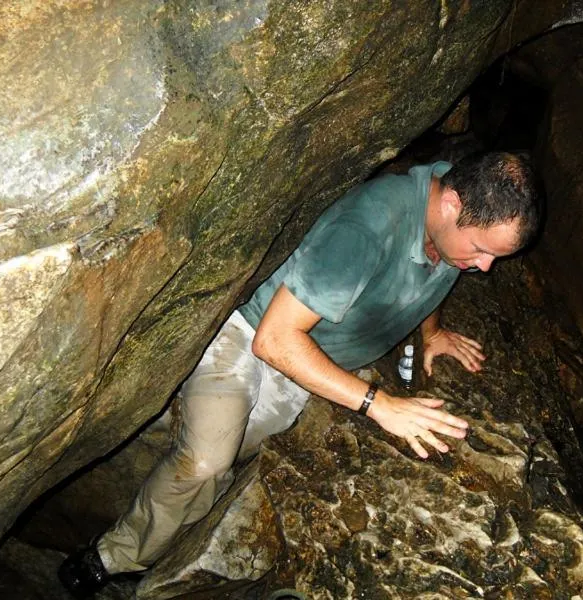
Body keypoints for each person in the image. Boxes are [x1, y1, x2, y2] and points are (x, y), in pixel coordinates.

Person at [58, 151, 542, 597]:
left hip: (307, 362)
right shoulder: (370, 227)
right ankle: (111, 558)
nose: (483, 267)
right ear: (451, 204)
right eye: (482, 250)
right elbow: (273, 340)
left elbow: (438, 273)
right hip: (253, 337)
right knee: (206, 462)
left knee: (227, 456)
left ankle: (177, 428)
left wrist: (431, 332)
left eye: (494, 257)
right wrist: (380, 405)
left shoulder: (453, 218)